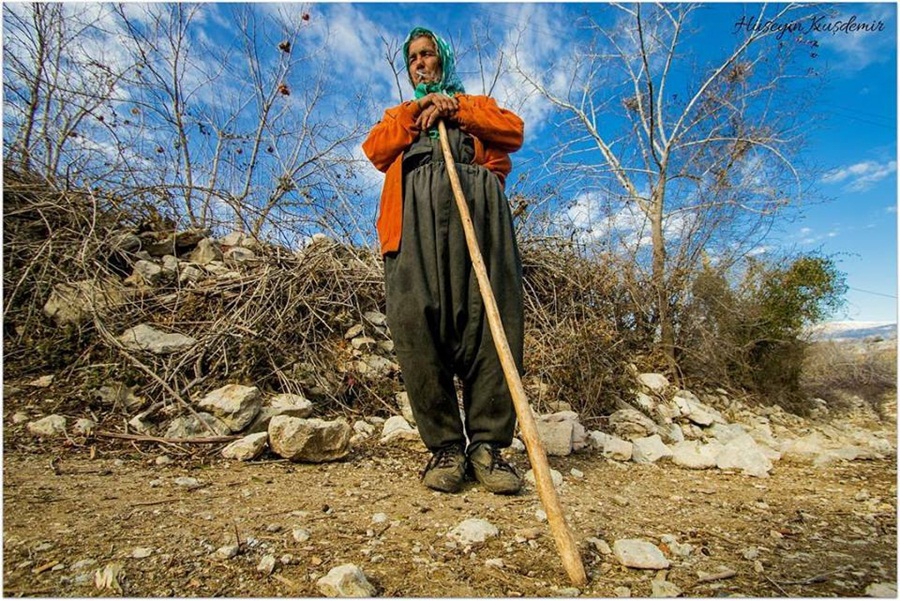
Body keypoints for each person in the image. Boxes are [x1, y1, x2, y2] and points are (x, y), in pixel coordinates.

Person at [362, 27, 525, 495]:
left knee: (492, 328)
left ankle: (488, 447)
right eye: (412, 57)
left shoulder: (477, 106)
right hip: (412, 226)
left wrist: (458, 109)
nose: (419, 63)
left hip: (480, 221)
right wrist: (419, 111)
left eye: (427, 54)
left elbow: (512, 131)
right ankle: (446, 448)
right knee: (415, 323)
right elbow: (375, 151)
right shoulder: (401, 115)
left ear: (442, 60)